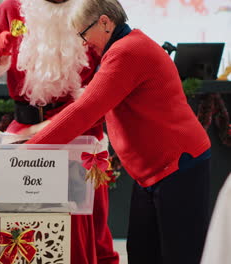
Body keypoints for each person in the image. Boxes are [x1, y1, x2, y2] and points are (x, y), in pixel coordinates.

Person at [25, 0, 212, 264]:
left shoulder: (127, 52)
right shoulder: (123, 48)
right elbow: (96, 109)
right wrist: (34, 135)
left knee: (179, 254)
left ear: (104, 22)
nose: (83, 42)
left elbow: (84, 111)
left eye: (83, 33)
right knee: (143, 252)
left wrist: (23, 153)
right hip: (153, 172)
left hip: (177, 165)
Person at [0, 0, 119, 263]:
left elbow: (114, 62)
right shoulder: (11, 9)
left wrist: (90, 99)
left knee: (93, 223)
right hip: (26, 130)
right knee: (22, 218)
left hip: (81, 131)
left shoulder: (93, 6)